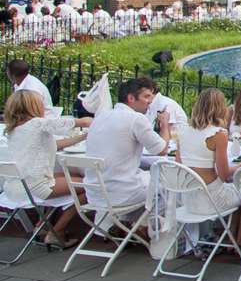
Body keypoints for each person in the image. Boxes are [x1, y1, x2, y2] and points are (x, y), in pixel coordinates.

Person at [2, 90, 91, 246]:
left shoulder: (14, 129)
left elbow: (53, 146)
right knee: (89, 186)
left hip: (15, 186)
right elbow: (68, 123)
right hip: (35, 187)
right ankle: (57, 231)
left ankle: (42, 225)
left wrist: (83, 137)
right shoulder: (37, 124)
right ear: (33, 106)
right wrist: (86, 121)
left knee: (71, 173)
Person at [176, 88, 241, 248]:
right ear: (219, 108)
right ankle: (237, 242)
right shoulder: (218, 134)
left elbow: (179, 164)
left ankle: (227, 237)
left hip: (188, 200)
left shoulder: (182, 131)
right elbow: (224, 175)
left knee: (233, 190)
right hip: (211, 201)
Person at [85, 77, 170, 207]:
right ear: (131, 98)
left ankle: (132, 225)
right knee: (170, 186)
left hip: (95, 195)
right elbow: (162, 150)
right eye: (146, 97)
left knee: (147, 177)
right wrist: (164, 125)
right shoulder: (136, 119)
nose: (150, 102)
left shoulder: (101, 116)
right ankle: (154, 226)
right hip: (122, 195)